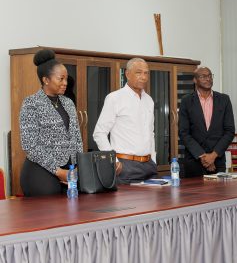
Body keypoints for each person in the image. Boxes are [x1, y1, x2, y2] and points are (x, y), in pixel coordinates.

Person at [19, 49, 83, 196]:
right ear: (46, 80)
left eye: (66, 79)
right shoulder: (31, 103)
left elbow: (77, 138)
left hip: (70, 168)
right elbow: (30, 145)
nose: (65, 83)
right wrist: (58, 171)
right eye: (61, 79)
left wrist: (78, 167)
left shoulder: (68, 103)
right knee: (52, 197)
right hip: (41, 170)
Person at [93, 58, 157, 183]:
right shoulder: (114, 98)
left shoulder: (149, 100)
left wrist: (153, 159)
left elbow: (151, 133)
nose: (143, 77)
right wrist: (114, 161)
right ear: (127, 74)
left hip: (149, 166)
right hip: (125, 166)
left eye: (146, 73)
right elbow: (99, 133)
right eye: (139, 72)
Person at [178, 66, 235, 177]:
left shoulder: (224, 100)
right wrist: (203, 156)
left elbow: (229, 131)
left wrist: (213, 156)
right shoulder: (186, 101)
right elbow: (184, 133)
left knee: (219, 189)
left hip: (217, 162)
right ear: (195, 80)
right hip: (194, 162)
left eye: (209, 76)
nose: (208, 79)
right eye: (203, 76)